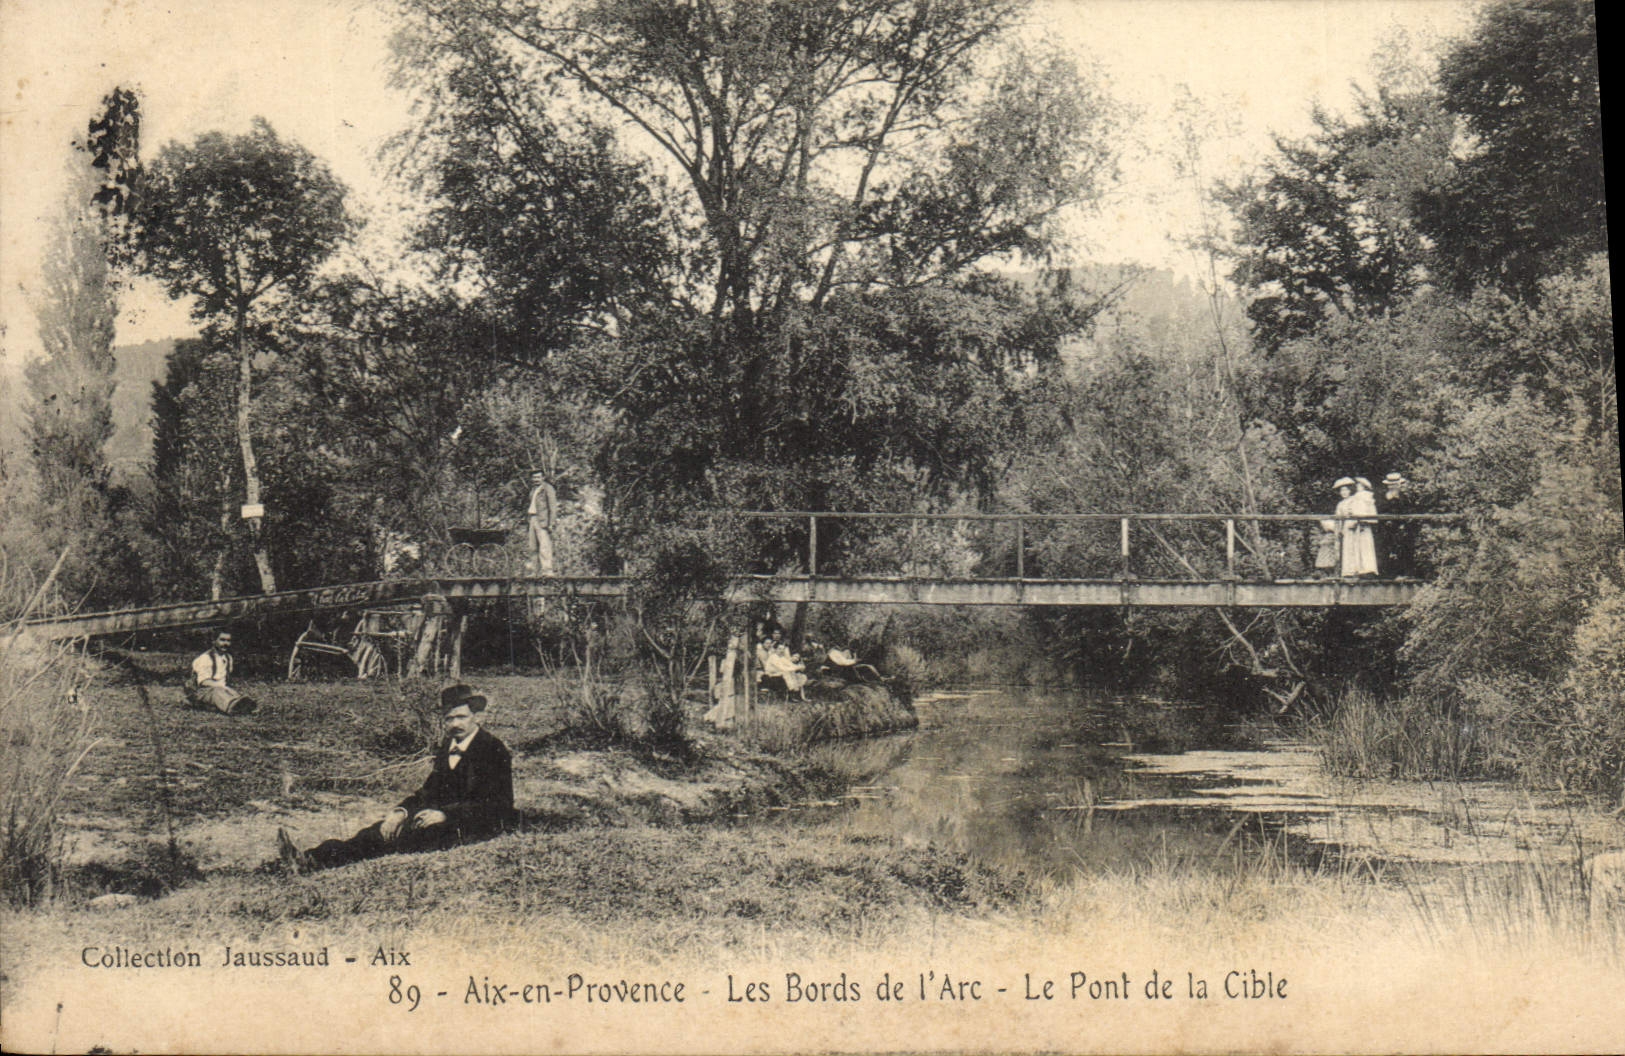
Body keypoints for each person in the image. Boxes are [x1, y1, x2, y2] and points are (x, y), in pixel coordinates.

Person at [277, 684, 515, 873]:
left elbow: (498, 805)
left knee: (402, 840)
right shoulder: (448, 746)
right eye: (449, 719)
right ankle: (308, 858)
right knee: (380, 831)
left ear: (476, 717)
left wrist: (446, 814)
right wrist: (400, 811)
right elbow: (428, 791)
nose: (455, 724)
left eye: (461, 717)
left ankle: (315, 863)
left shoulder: (493, 749)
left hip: (474, 826)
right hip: (435, 818)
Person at [187, 630, 256, 715]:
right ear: (214, 641)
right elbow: (204, 682)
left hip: (220, 689)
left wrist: (226, 689)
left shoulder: (228, 657)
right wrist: (223, 687)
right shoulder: (206, 658)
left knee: (232, 694)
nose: (225, 643)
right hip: (202, 691)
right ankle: (232, 707)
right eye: (222, 640)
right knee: (217, 692)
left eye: (228, 640)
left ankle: (242, 705)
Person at [1332, 476, 1378, 577]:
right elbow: (1338, 518)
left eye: (1346, 490)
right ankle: (1348, 572)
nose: (1344, 493)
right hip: (1346, 528)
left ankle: (1360, 570)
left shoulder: (1355, 499)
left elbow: (1360, 511)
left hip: (1355, 526)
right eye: (1342, 491)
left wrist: (1355, 521)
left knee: (1357, 548)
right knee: (1347, 548)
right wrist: (1339, 529)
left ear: (1350, 491)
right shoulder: (1340, 504)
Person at [1380, 471, 1419, 578]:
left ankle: (1404, 574)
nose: (1393, 487)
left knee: (1403, 549)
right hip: (1387, 528)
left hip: (1402, 528)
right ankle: (1390, 575)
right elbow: (1380, 511)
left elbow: (1407, 510)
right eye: (1390, 485)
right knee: (1388, 550)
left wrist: (1403, 523)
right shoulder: (1383, 498)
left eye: (1395, 485)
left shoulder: (1404, 497)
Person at [525, 470, 557, 576]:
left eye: (538, 477)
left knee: (544, 546)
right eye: (534, 478)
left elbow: (552, 507)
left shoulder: (548, 488)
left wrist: (551, 523)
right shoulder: (533, 489)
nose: (536, 480)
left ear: (543, 478)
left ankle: (547, 571)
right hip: (532, 519)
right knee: (532, 547)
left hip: (542, 520)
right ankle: (534, 571)